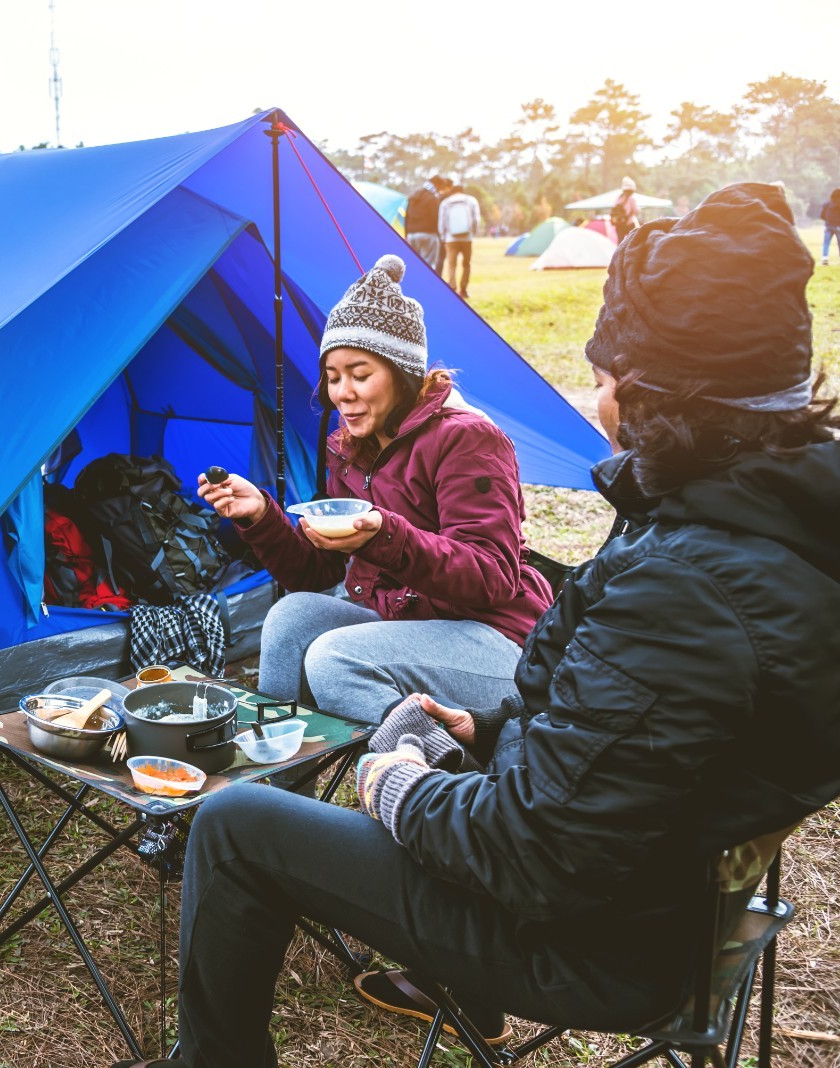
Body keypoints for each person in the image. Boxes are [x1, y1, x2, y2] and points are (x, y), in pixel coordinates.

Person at [110, 183, 840, 1068]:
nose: (600, 404)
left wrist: (398, 782)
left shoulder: (681, 583)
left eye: (604, 380)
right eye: (331, 375)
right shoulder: (752, 529)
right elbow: (631, 738)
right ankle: (285, 797)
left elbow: (532, 844)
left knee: (236, 826)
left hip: (596, 936)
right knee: (303, 619)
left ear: (655, 391)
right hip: (650, 883)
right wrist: (483, 727)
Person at [196, 254, 551, 725]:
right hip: (410, 629)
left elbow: (491, 576)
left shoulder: (466, 439)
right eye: (333, 375)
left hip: (494, 639)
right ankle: (280, 790)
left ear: (401, 374)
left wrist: (385, 536)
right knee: (290, 618)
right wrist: (261, 515)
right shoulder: (349, 448)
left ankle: (436, 783)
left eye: (360, 374)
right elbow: (315, 572)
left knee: (334, 656)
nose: (342, 392)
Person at [437, 182, 479, 298]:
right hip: (467, 238)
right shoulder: (471, 201)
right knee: (466, 264)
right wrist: (473, 233)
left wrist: (443, 235)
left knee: (451, 264)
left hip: (451, 239)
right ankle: (464, 290)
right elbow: (476, 219)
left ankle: (452, 288)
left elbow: (442, 221)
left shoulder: (446, 202)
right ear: (462, 190)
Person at [403, 175, 449, 270]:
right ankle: (426, 284)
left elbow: (406, 216)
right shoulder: (432, 198)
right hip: (428, 235)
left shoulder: (413, 196)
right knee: (428, 266)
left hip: (412, 235)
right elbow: (436, 218)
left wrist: (407, 234)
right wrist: (440, 236)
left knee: (413, 264)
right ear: (437, 185)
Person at [612, 175, 641, 242]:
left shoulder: (619, 198)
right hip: (629, 224)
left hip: (619, 224)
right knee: (632, 241)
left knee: (620, 242)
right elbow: (636, 210)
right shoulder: (631, 199)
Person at [821, 187, 840, 266]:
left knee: (826, 243)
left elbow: (822, 215)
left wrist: (827, 220)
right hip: (838, 226)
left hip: (828, 226)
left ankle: (825, 258)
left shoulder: (827, 204)